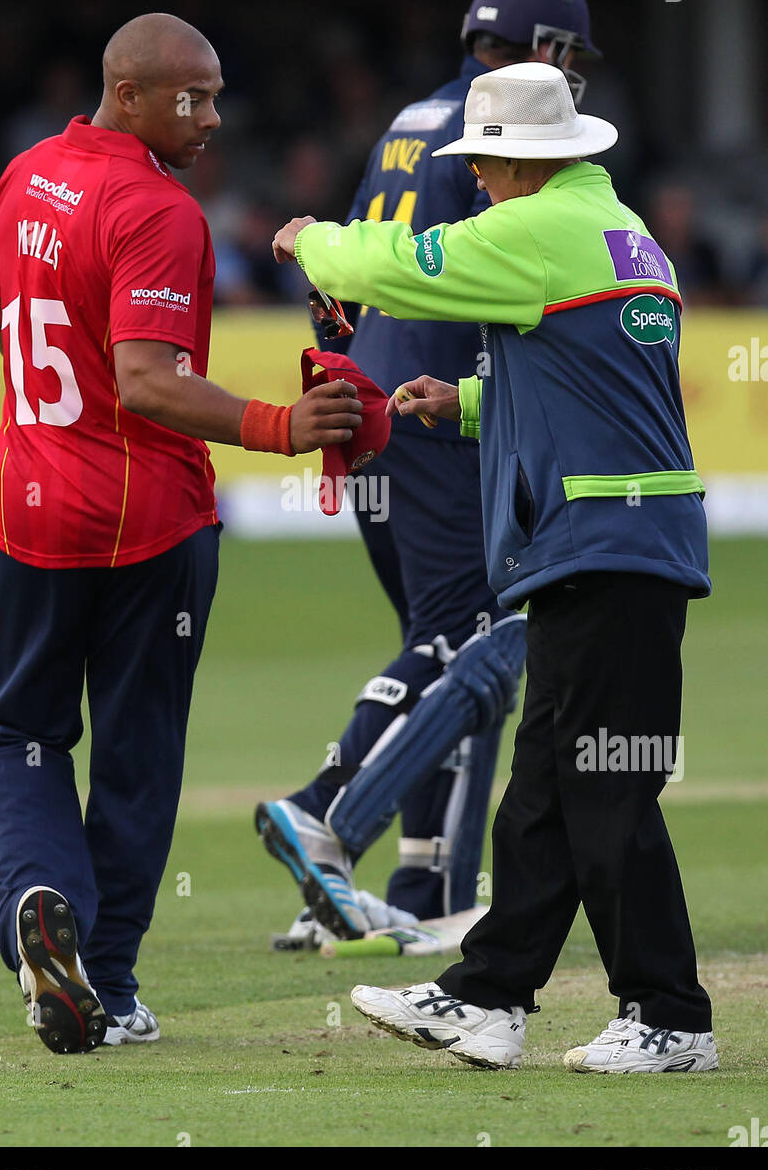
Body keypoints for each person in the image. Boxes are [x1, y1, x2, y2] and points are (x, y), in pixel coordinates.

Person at [271, 61, 717, 1074]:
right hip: (616, 543)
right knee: (547, 794)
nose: (473, 179)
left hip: (601, 543)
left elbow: (402, 266)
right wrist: (463, 405)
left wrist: (313, 244)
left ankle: (670, 1015)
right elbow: (590, 388)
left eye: (482, 163)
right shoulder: (620, 233)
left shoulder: (535, 233)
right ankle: (488, 997)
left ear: (521, 161)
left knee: (604, 790)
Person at [0, 13, 362, 1054]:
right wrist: (279, 426)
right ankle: (107, 977)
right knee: (137, 756)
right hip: (150, 524)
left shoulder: (22, 176)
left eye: (217, 93)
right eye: (193, 96)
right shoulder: (158, 208)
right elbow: (146, 379)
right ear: (129, 94)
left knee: (17, 735)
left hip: (27, 512)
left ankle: (41, 898)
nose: (212, 115)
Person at [255, 0, 601, 938]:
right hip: (436, 409)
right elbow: (490, 278)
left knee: (442, 641)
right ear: (543, 53)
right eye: (569, 60)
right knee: (475, 637)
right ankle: (345, 829)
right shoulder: (501, 134)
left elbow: (345, 286)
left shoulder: (403, 120)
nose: (574, 82)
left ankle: (377, 895)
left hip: (366, 399)